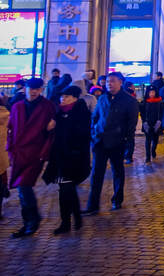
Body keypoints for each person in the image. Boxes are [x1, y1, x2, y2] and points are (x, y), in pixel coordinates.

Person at [7, 78, 56, 237]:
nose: (34, 91)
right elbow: (10, 128)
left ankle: (32, 221)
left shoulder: (47, 106)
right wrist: (10, 148)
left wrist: (45, 151)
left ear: (41, 90)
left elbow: (52, 133)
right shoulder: (17, 106)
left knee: (24, 185)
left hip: (35, 152)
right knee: (22, 188)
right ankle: (28, 222)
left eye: (37, 89)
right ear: (25, 89)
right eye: (31, 88)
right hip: (19, 153)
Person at [84, 71, 138, 215]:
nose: (109, 84)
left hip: (117, 142)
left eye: (113, 81)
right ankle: (92, 205)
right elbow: (95, 117)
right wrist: (94, 133)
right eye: (108, 81)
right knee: (96, 174)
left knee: (117, 171)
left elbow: (131, 124)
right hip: (100, 141)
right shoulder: (102, 98)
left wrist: (126, 141)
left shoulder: (129, 101)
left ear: (120, 82)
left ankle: (117, 200)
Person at [42, 86, 91, 234]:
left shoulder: (81, 113)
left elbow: (82, 135)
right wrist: (50, 128)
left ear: (75, 98)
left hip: (75, 159)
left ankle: (66, 223)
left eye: (67, 97)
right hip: (60, 158)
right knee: (67, 189)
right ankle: (75, 217)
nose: (63, 99)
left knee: (65, 190)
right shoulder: (58, 113)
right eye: (62, 96)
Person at [139, 84, 164, 163]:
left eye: (153, 92)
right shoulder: (144, 102)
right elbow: (142, 113)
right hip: (147, 123)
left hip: (157, 123)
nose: (152, 94)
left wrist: (159, 121)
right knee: (148, 140)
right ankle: (148, 156)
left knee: (155, 140)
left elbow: (161, 112)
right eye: (150, 92)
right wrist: (144, 122)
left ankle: (153, 150)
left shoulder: (159, 102)